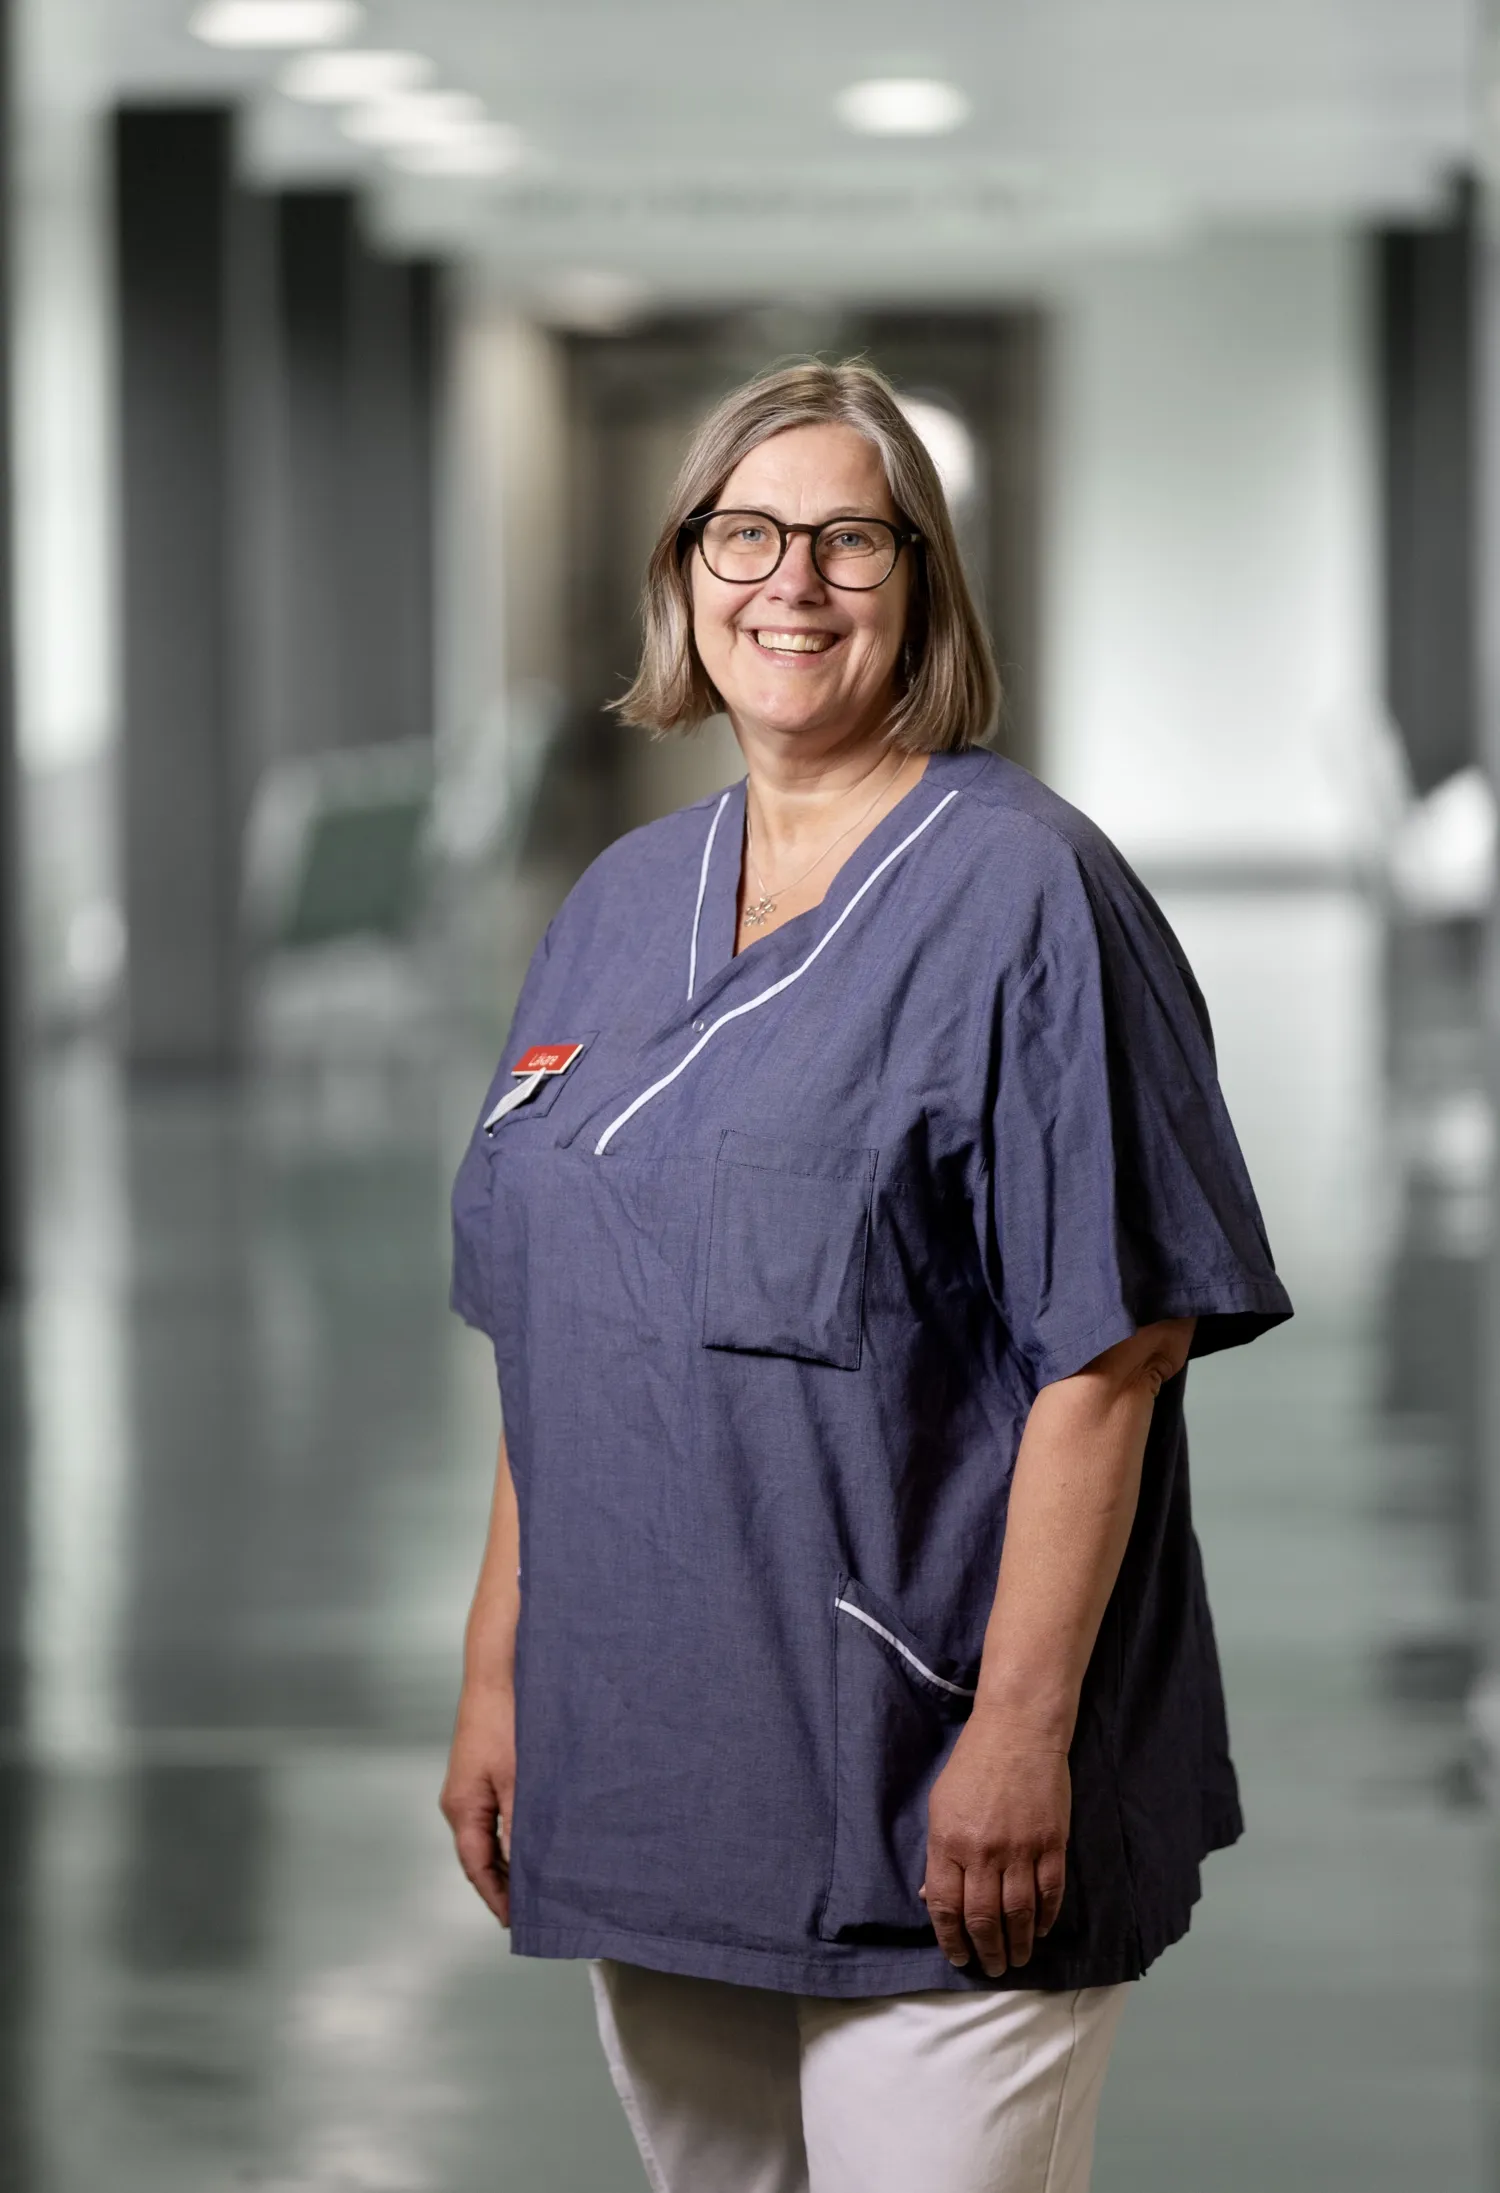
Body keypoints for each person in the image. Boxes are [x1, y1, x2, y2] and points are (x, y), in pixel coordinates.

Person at [442, 359, 1293, 2193]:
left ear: (922, 586)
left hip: (929, 1764)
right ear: (683, 574)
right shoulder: (612, 906)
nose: (791, 583)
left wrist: (1020, 1738)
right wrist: (501, 1669)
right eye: (745, 534)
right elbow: (550, 1332)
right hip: (656, 1747)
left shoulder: (1029, 894)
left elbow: (1120, 1348)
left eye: (849, 540)